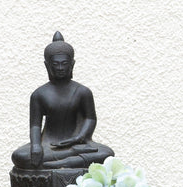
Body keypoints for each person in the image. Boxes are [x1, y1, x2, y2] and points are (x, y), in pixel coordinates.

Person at [11, 32, 114, 169]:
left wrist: (79, 138)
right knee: (20, 156)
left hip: (78, 143)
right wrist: (36, 146)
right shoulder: (39, 94)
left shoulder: (83, 92)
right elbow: (35, 125)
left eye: (64, 63)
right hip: (49, 145)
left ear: (72, 64)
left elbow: (90, 118)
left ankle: (67, 162)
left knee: (107, 154)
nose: (60, 68)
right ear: (47, 65)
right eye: (56, 64)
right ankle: (72, 155)